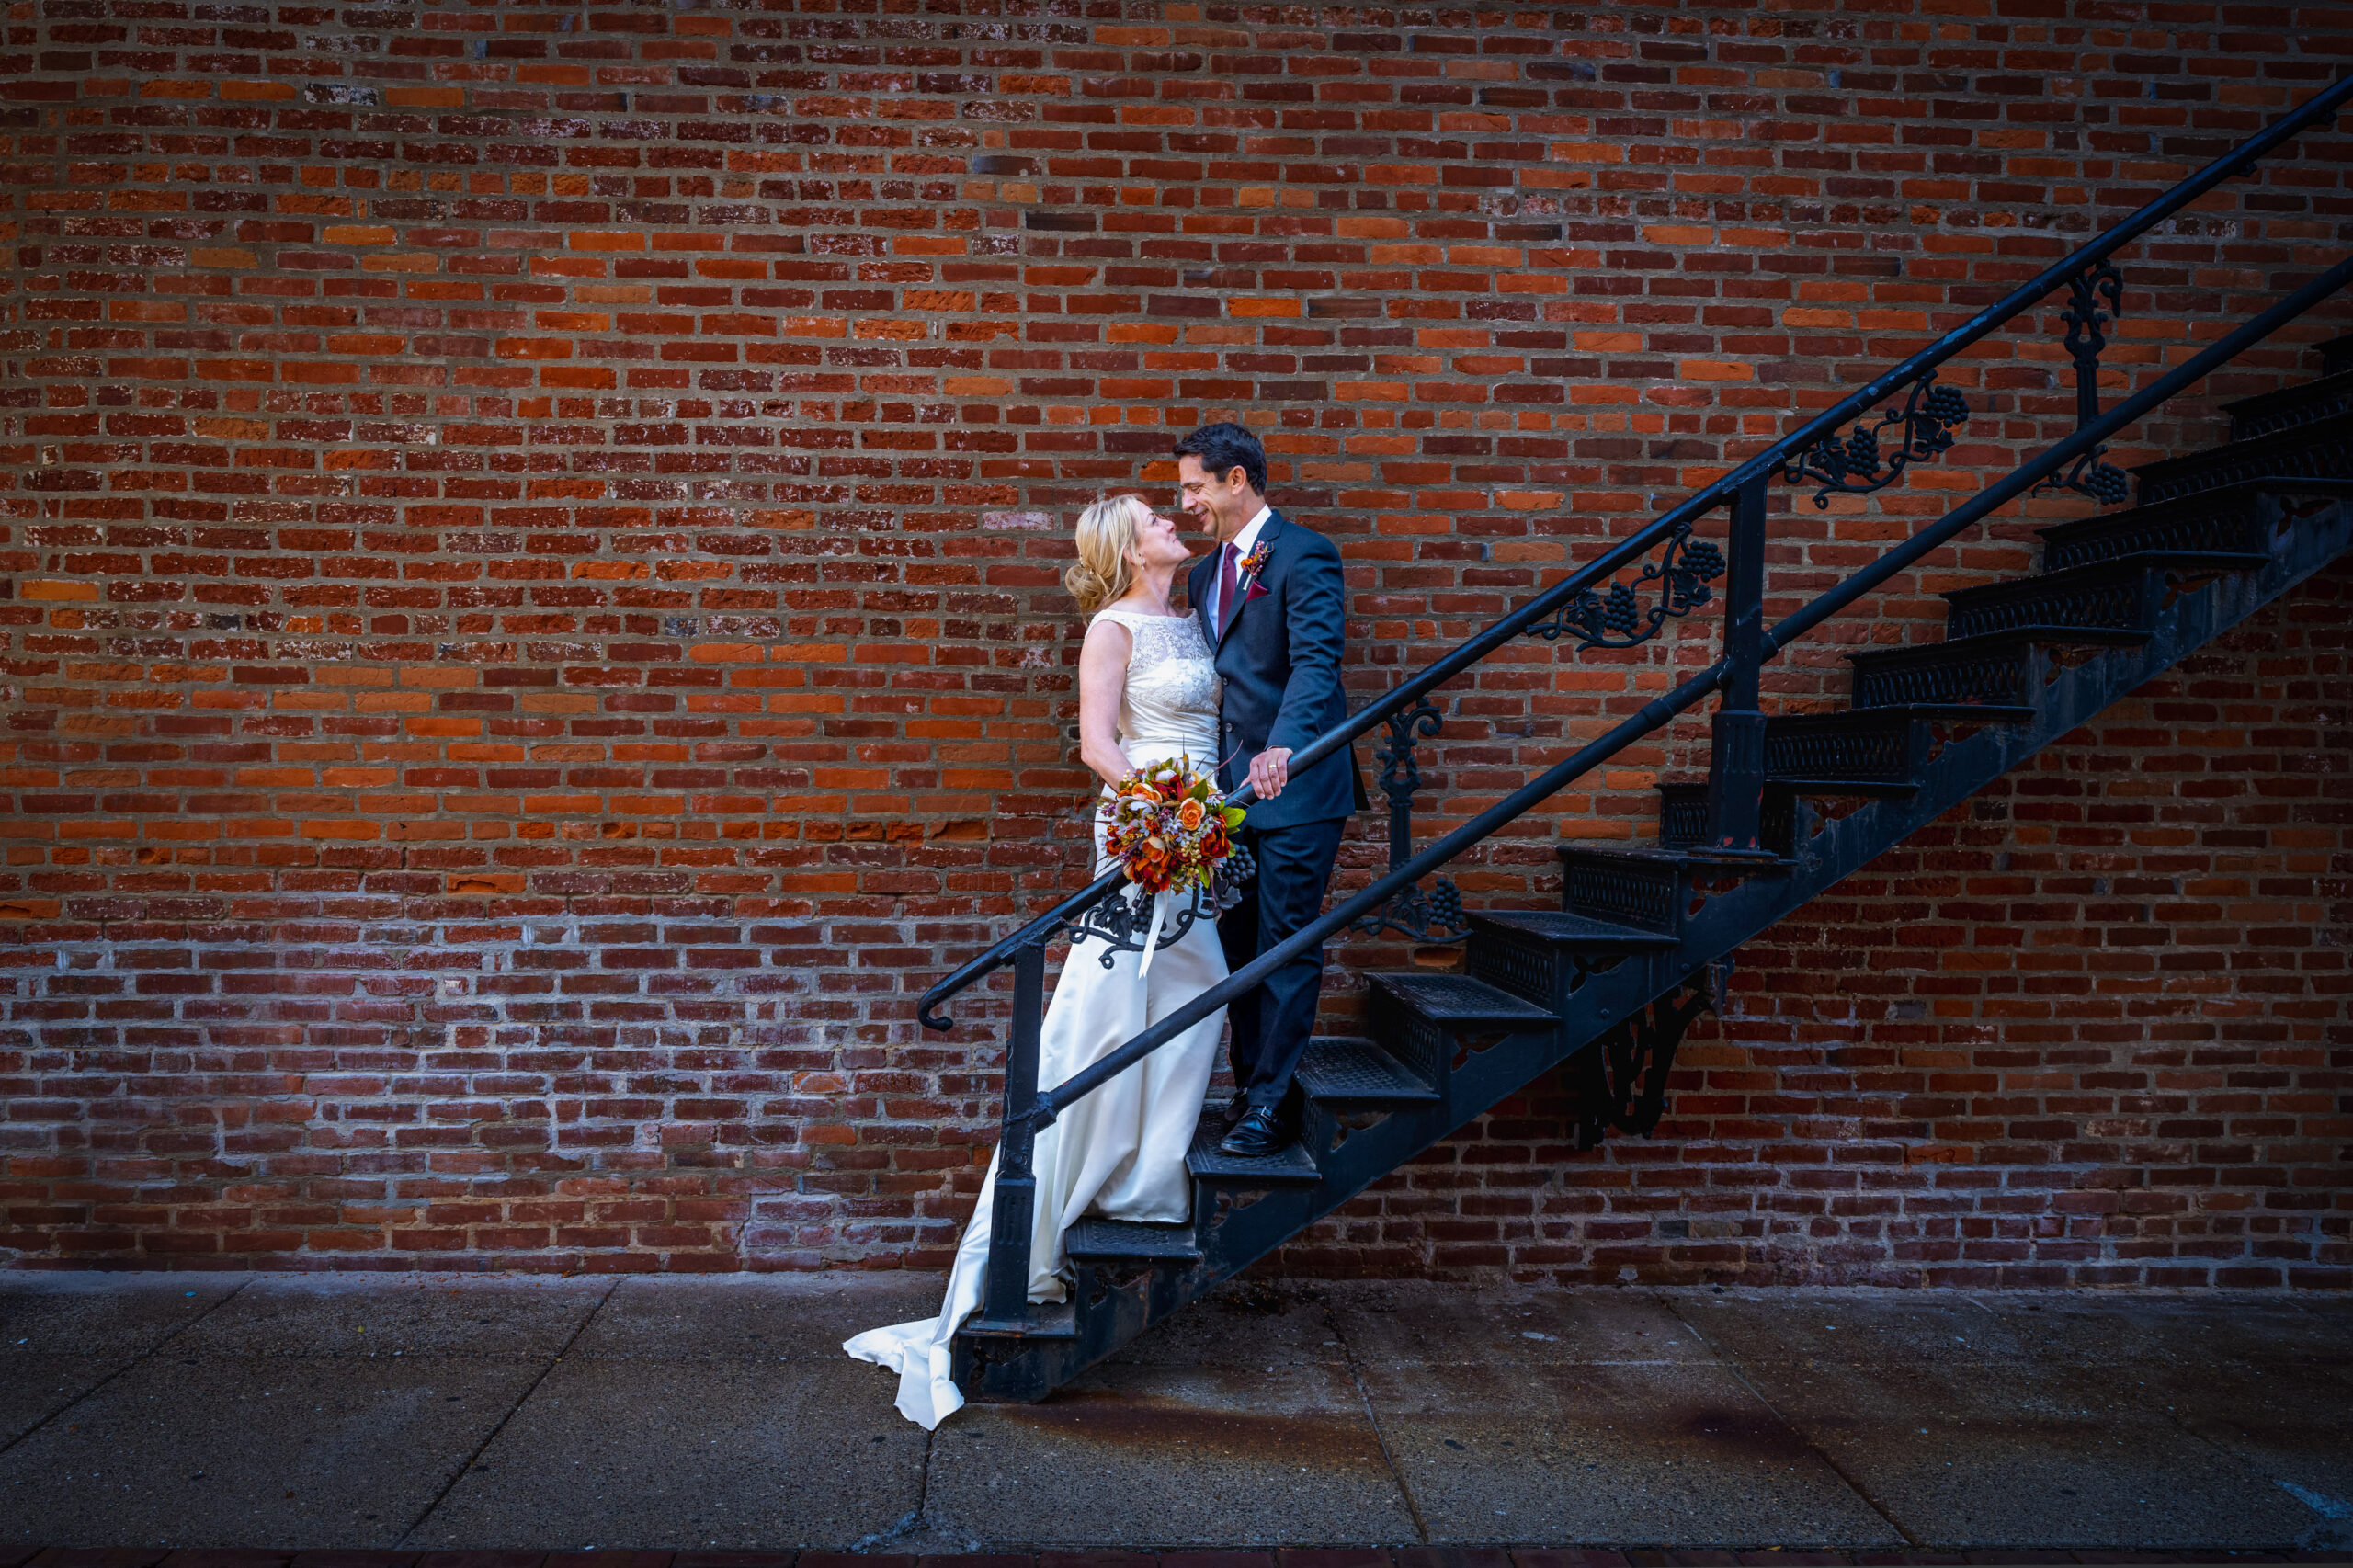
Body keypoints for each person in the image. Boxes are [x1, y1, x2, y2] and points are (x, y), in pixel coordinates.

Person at [844, 494, 1227, 1430]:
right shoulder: (1114, 623)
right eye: (1153, 518)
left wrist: (1206, 810)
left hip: (1207, 821)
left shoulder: (1198, 610)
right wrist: (1164, 807)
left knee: (1196, 991)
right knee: (1113, 997)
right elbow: (1098, 742)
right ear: (1124, 545)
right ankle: (1063, 1198)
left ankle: (1147, 1172)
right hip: (1152, 820)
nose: (1173, 520)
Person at [1176, 422, 1365, 1160]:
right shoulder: (1202, 576)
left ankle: (1271, 1103)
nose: (1187, 501)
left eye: (1195, 485)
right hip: (1230, 796)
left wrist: (1287, 742)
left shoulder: (1304, 553)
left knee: (1287, 943)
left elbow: (1319, 661)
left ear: (1236, 480)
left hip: (1299, 788)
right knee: (1236, 947)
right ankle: (1248, 1083)